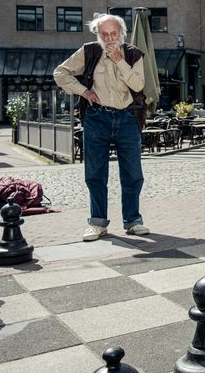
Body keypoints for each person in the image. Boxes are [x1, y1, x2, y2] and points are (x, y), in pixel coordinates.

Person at [53, 13, 150, 241]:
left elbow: (138, 84)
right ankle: (97, 223)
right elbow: (60, 73)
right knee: (95, 173)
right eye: (104, 34)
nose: (109, 38)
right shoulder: (89, 51)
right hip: (96, 118)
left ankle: (133, 221)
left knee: (133, 174)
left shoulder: (133, 54)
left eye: (114, 33)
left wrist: (119, 61)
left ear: (122, 33)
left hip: (127, 118)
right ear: (98, 35)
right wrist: (83, 91)